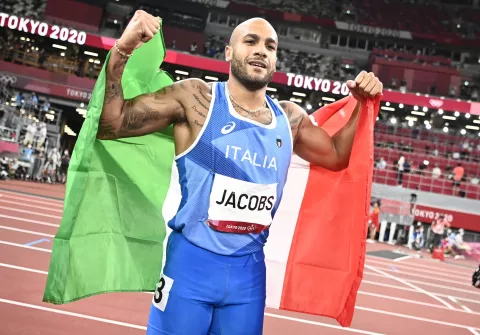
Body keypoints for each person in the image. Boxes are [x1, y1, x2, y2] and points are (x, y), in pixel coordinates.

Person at [98, 11, 383, 335]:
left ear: (276, 61)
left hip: (248, 278)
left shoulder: (289, 120)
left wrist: (362, 103)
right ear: (229, 52)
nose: (261, 49)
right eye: (251, 41)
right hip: (190, 267)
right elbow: (112, 124)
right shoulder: (195, 99)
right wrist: (123, 48)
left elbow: (336, 156)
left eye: (270, 46)